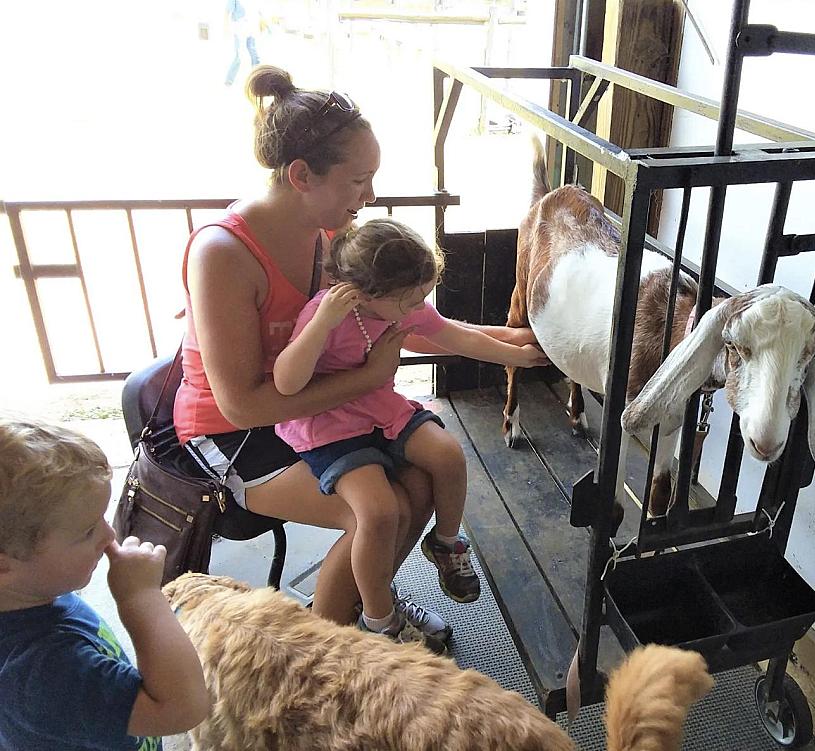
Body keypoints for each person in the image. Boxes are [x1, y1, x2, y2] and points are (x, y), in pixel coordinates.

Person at [174, 64, 538, 648]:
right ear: (301, 175)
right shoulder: (223, 253)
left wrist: (513, 341)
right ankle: (332, 651)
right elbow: (242, 406)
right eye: (359, 181)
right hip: (232, 432)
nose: (369, 196)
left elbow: (396, 322)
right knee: (374, 509)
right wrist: (369, 379)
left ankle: (368, 610)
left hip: (316, 406)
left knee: (423, 481)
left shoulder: (330, 236)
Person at [272, 218, 547, 643]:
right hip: (331, 426)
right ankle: (380, 619)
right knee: (378, 511)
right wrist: (321, 325)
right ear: (367, 294)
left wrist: (516, 355)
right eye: (413, 299)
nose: (421, 306)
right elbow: (287, 382)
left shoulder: (402, 306)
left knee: (447, 454)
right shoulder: (326, 314)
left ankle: (446, 544)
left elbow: (457, 337)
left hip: (378, 407)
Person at [0, 416, 209, 751]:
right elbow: (183, 708)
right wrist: (141, 597)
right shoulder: (41, 670)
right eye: (87, 531)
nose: (109, 534)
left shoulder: (34, 591)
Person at [223, 0, 261, 87]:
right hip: (239, 27)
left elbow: (256, 11)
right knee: (239, 55)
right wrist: (226, 27)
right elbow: (227, 11)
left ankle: (257, 78)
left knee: (254, 53)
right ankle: (229, 80)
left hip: (251, 27)